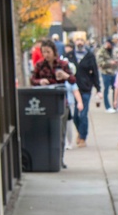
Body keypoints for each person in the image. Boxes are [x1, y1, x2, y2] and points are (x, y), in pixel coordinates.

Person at [31, 37, 81, 165]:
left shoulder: (63, 65)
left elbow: (73, 80)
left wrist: (65, 76)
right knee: (45, 132)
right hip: (44, 101)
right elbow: (32, 80)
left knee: (60, 132)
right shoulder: (40, 65)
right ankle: (45, 158)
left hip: (60, 101)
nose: (46, 55)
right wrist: (39, 81)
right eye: (44, 52)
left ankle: (59, 159)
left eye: (48, 51)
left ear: (54, 51)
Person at [72, 41, 101, 147]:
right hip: (73, 89)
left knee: (83, 114)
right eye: (77, 39)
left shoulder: (90, 56)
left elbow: (95, 73)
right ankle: (80, 131)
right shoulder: (70, 55)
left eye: (81, 39)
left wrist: (98, 89)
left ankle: (83, 137)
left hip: (85, 89)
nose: (79, 42)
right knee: (75, 115)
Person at [97, 37, 116, 110]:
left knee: (115, 89)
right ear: (107, 44)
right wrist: (109, 63)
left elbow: (115, 58)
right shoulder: (101, 51)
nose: (112, 46)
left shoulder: (112, 51)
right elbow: (100, 63)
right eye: (111, 44)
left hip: (113, 72)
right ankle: (107, 106)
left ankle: (115, 105)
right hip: (105, 73)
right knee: (106, 90)